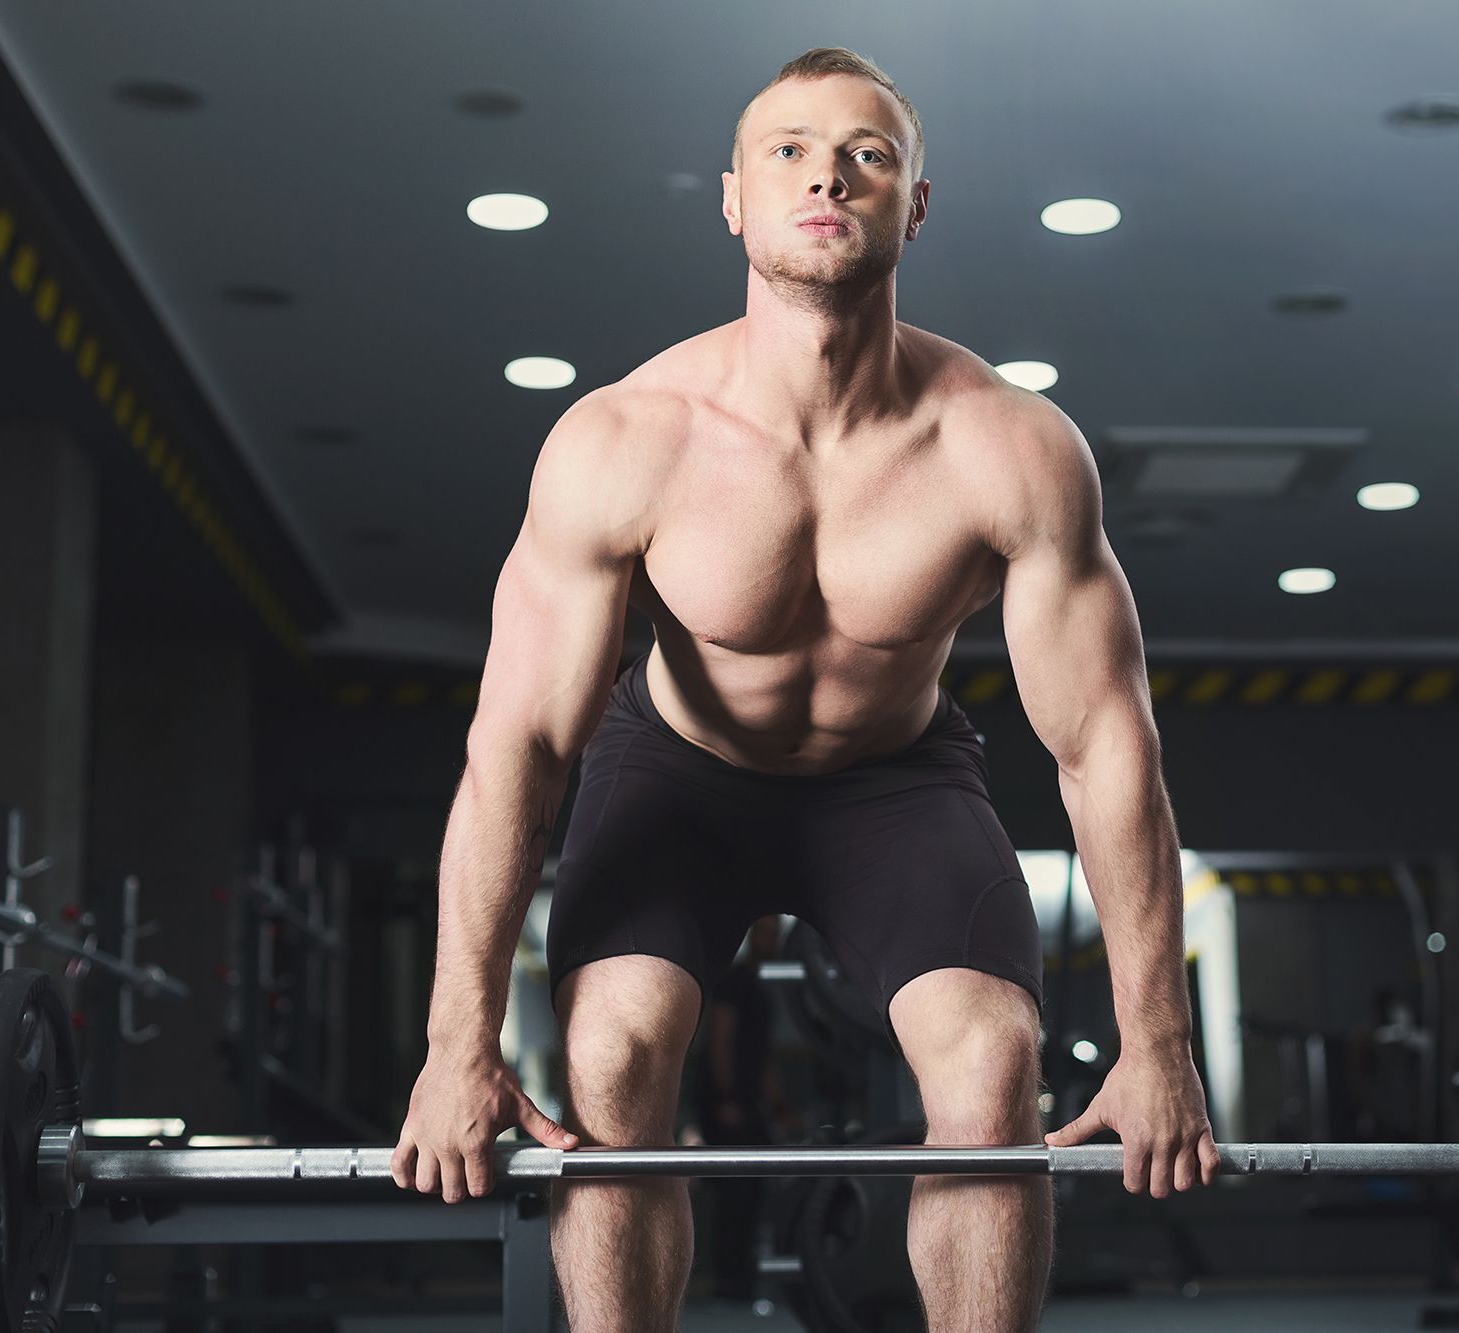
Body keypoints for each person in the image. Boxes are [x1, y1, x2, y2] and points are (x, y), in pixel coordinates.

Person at [390, 46, 1221, 1331]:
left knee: (993, 1063)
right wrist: (459, 1045)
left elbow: (1107, 751)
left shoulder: (1008, 447)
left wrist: (1155, 1037)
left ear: (914, 204)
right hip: (675, 775)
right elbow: (517, 752)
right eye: (786, 150)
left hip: (892, 787)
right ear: (732, 198)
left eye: (866, 153)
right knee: (610, 1054)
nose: (825, 172)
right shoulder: (626, 440)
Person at [688, 915, 794, 1301]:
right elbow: (721, 1038)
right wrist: (727, 1097)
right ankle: (729, 1281)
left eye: (776, 935)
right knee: (735, 1194)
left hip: (746, 1104)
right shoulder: (735, 984)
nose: (774, 941)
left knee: (751, 1190)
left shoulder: (758, 990)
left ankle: (739, 1277)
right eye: (768, 935)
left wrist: (778, 1105)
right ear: (754, 939)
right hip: (727, 1104)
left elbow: (762, 1058)